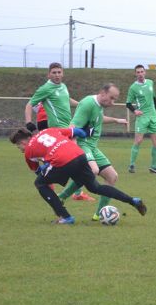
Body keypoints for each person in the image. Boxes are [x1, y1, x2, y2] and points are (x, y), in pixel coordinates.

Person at [9, 127, 147, 224]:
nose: (20, 150)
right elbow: (78, 132)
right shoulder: (49, 131)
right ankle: (133, 200)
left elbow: (41, 175)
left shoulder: (28, 151)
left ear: (22, 142)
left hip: (62, 161)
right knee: (95, 187)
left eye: (18, 147)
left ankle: (65, 217)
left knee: (39, 183)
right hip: (79, 155)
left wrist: (54, 200)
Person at [56, 83, 130, 221]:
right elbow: (73, 126)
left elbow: (98, 120)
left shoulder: (98, 106)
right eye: (111, 98)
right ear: (102, 93)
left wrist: (116, 120)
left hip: (93, 147)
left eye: (115, 99)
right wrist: (73, 148)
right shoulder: (88, 104)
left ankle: (99, 215)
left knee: (112, 177)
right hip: (83, 144)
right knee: (93, 171)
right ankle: (62, 197)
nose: (113, 103)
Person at [23, 62, 93, 202]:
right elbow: (30, 104)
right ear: (49, 74)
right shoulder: (46, 88)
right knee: (75, 159)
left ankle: (70, 190)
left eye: (59, 72)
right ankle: (69, 191)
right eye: (54, 72)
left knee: (72, 159)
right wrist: (28, 122)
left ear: (63, 73)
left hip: (68, 126)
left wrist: (82, 105)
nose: (57, 75)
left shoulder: (63, 86)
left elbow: (67, 100)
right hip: (58, 129)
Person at [126, 64, 156, 174]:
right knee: (138, 141)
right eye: (138, 72)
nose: (140, 74)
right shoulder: (133, 88)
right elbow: (128, 103)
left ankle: (154, 167)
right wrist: (135, 111)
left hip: (153, 116)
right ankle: (132, 164)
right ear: (135, 74)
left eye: (142, 72)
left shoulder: (150, 82)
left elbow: (154, 97)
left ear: (145, 72)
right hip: (142, 117)